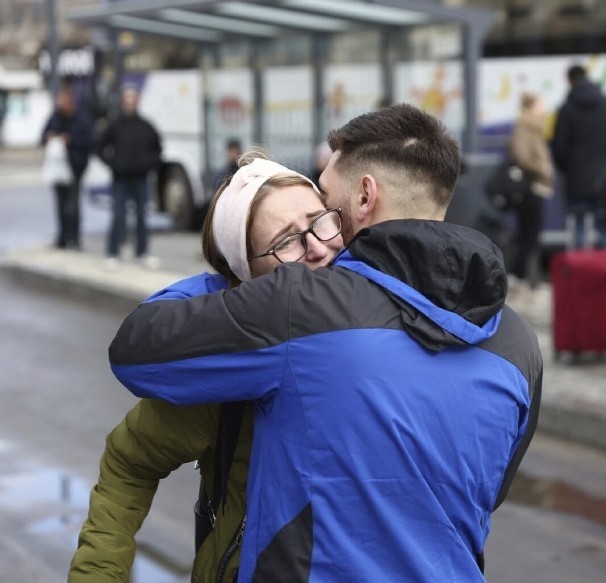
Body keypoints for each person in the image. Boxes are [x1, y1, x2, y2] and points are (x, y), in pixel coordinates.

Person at [108, 104, 542, 582]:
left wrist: (234, 285)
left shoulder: (300, 307)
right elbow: (488, 490)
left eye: (328, 208)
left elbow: (135, 348)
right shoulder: (519, 343)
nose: (322, 240)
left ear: (364, 197)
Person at [68, 152, 344, 583]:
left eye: (321, 219)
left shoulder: (385, 319)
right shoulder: (231, 366)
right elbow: (129, 464)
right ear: (245, 275)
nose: (318, 247)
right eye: (286, 241)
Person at [550, 64, 606, 249]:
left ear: (569, 80)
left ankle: (580, 274)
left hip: (577, 182)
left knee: (578, 232)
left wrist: (569, 170)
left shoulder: (566, 110)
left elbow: (559, 148)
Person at [97, 84, 162, 270]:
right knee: (118, 215)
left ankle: (142, 252)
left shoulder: (145, 125)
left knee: (142, 216)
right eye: (127, 100)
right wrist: (113, 163)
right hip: (120, 177)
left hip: (140, 177)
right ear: (123, 103)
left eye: (133, 100)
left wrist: (149, 164)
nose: (130, 104)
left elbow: (157, 148)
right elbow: (100, 146)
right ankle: (112, 253)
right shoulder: (115, 125)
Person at [507, 91, 553, 294]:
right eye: (540, 105)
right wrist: (542, 169)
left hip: (538, 187)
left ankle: (523, 277)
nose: (544, 110)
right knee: (528, 235)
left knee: (531, 234)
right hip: (531, 188)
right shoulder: (524, 129)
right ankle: (519, 276)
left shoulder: (533, 129)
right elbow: (523, 157)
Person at [40, 86, 95, 250]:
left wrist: (71, 140)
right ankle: (62, 237)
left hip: (75, 168)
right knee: (60, 205)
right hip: (57, 170)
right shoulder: (54, 118)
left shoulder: (82, 119)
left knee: (73, 207)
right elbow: (42, 136)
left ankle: (75, 238)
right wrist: (49, 137)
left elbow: (90, 141)